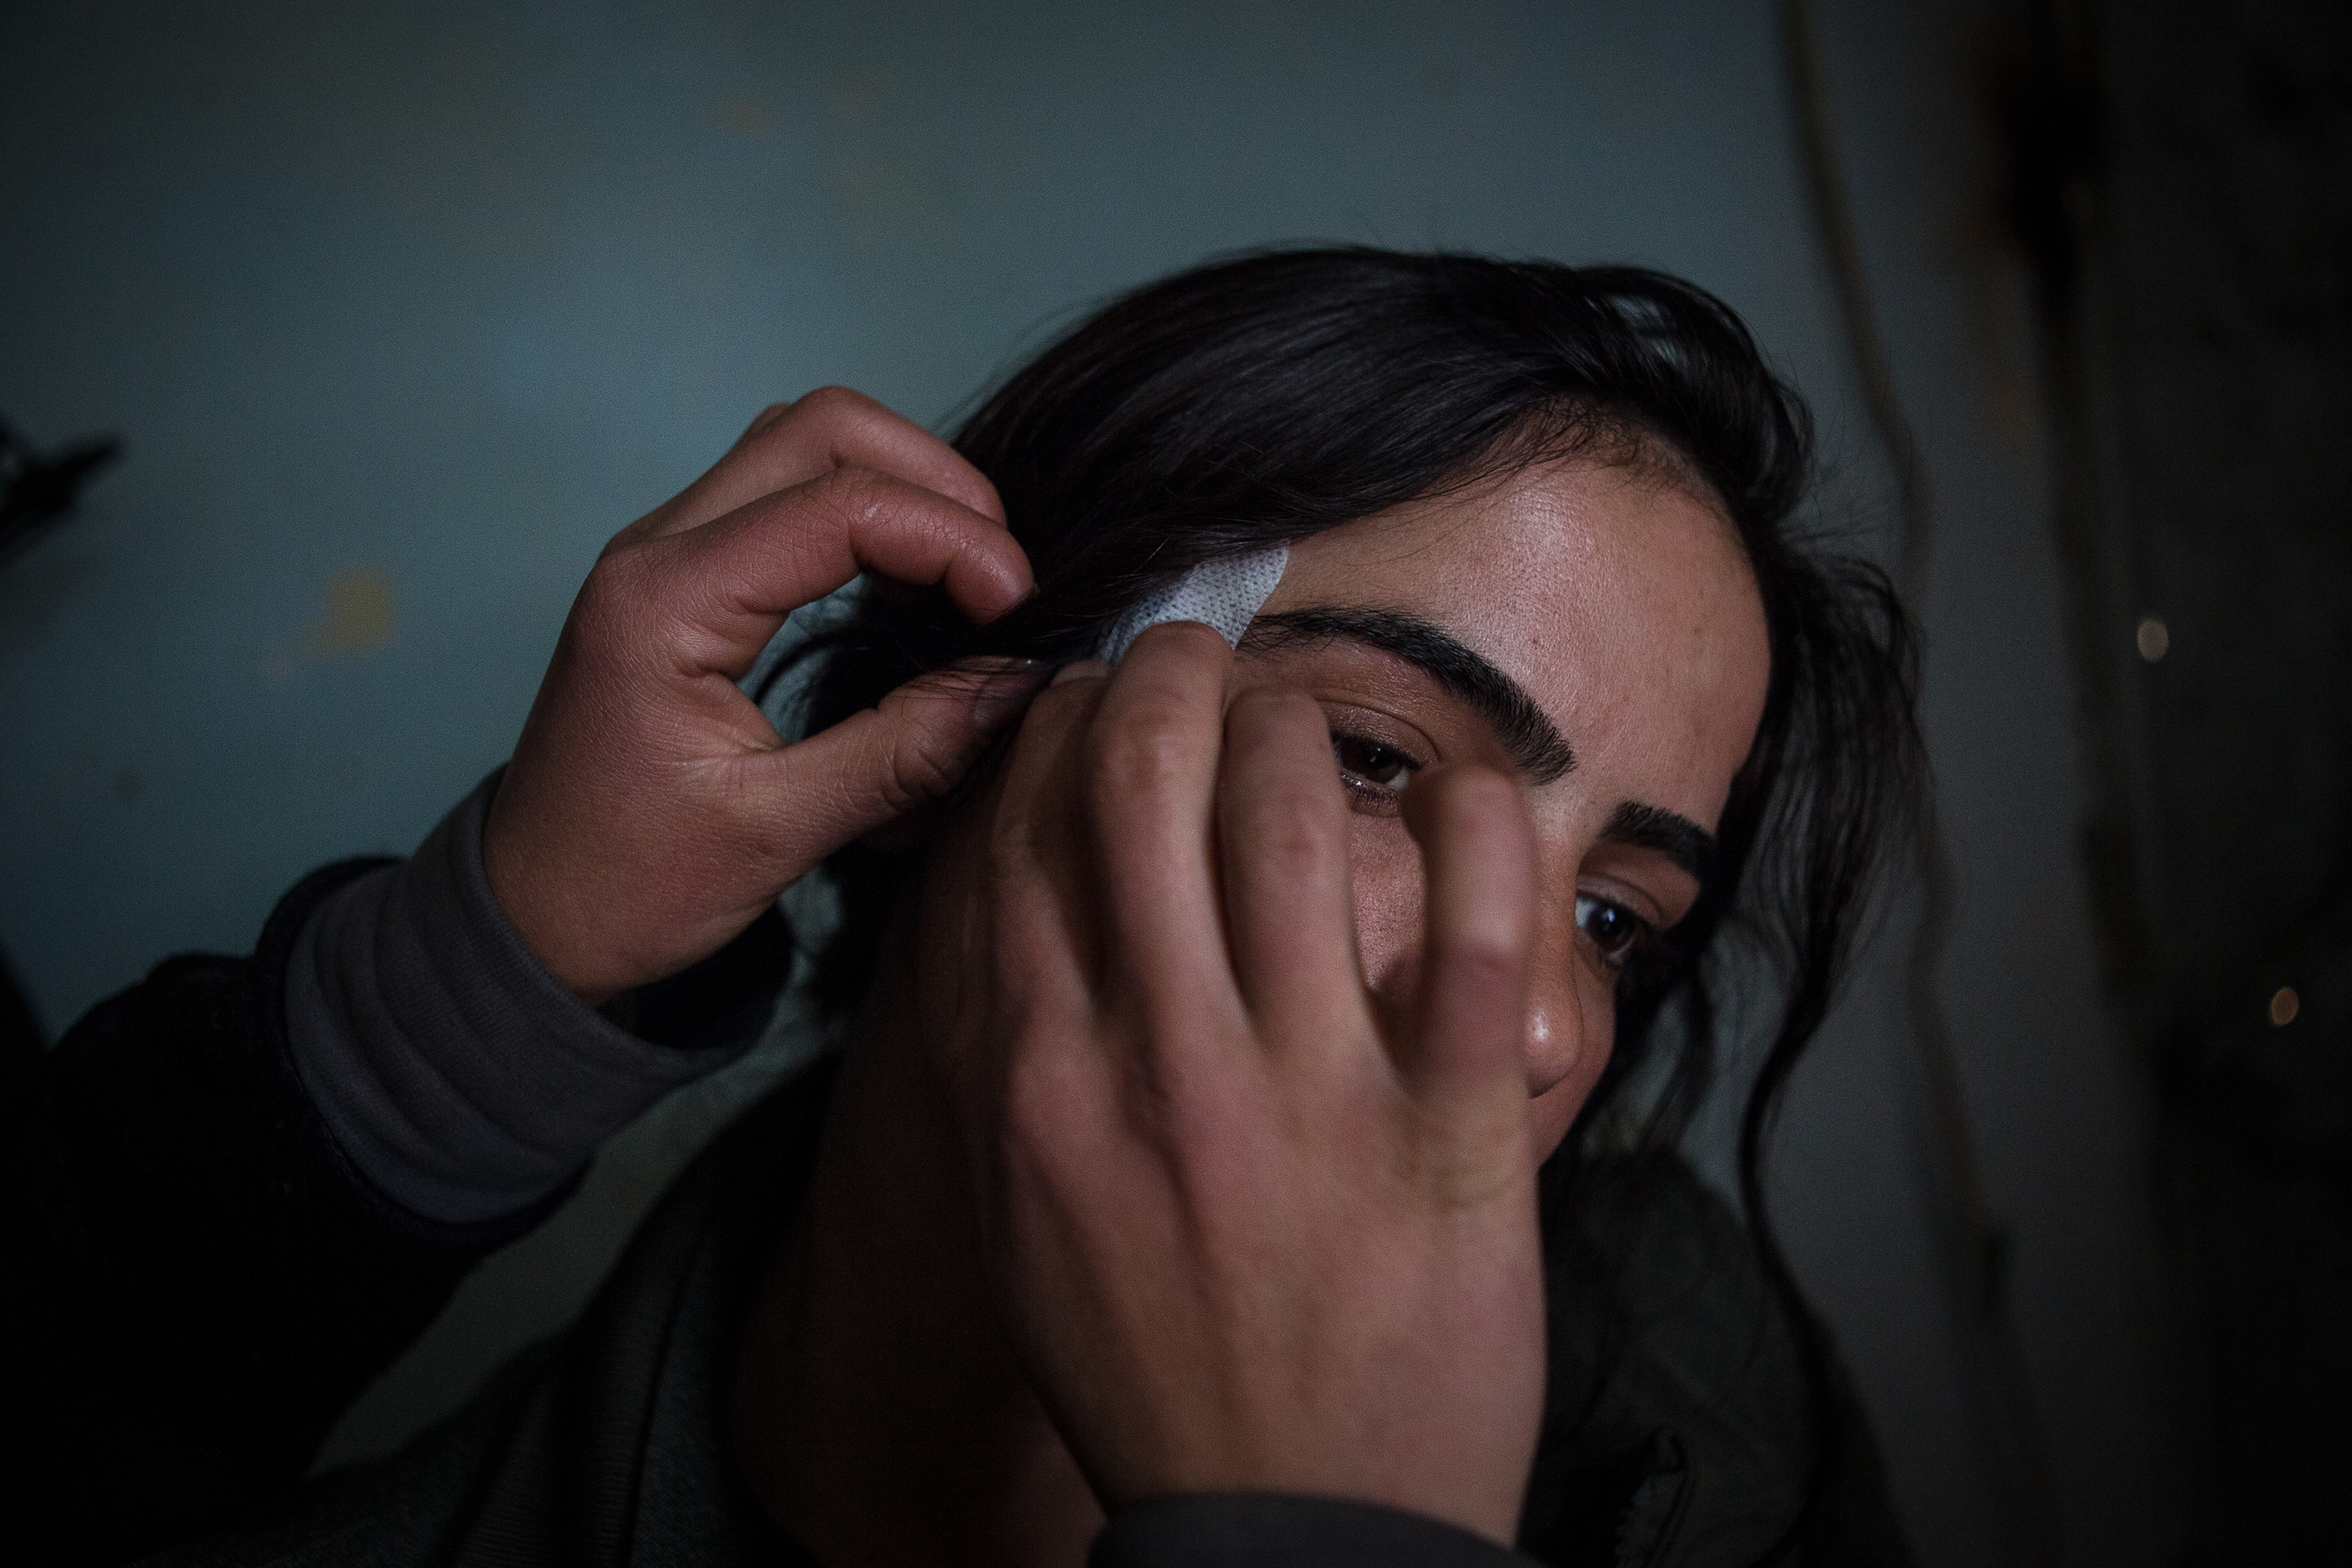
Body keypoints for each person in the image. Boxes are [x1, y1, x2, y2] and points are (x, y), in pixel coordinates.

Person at [3, 248, 1922, 1567]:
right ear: (963, 730)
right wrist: (473, 991)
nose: (1533, 1027)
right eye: (1367, 758)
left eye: (1613, 917)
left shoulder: (1702, 1390)